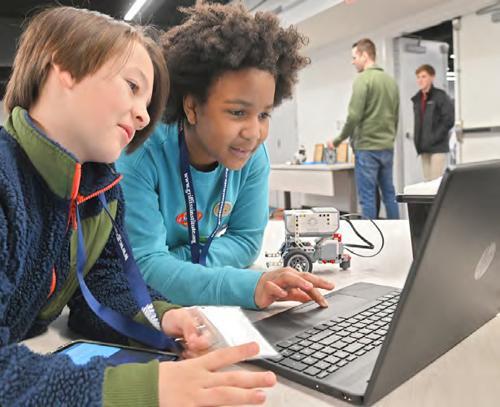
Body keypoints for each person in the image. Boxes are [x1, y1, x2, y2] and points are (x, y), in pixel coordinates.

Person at [0, 7, 276, 406]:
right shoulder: (6, 179)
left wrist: (163, 317)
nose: (144, 115)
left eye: (147, 102)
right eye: (132, 86)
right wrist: (141, 389)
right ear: (65, 67)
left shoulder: (99, 188)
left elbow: (103, 287)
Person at [117, 3, 334, 310]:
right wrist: (249, 286)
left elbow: (246, 241)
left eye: (264, 114)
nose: (254, 133)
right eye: (237, 112)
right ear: (192, 107)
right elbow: (145, 270)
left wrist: (178, 262)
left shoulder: (252, 156)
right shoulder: (140, 153)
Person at [329, 38, 400, 220]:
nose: (353, 62)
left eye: (354, 57)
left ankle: (369, 236)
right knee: (389, 194)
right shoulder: (391, 82)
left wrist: (337, 140)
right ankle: (398, 232)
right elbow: (395, 116)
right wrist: (389, 139)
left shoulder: (362, 80)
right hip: (387, 147)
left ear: (365, 55)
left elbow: (354, 116)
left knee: (367, 197)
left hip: (367, 148)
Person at [411, 64, 455, 181]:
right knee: (427, 182)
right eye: (418, 77)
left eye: (424, 76)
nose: (420, 80)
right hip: (423, 147)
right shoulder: (417, 99)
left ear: (432, 77)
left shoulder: (440, 96)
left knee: (435, 182)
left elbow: (449, 119)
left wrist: (434, 137)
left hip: (437, 147)